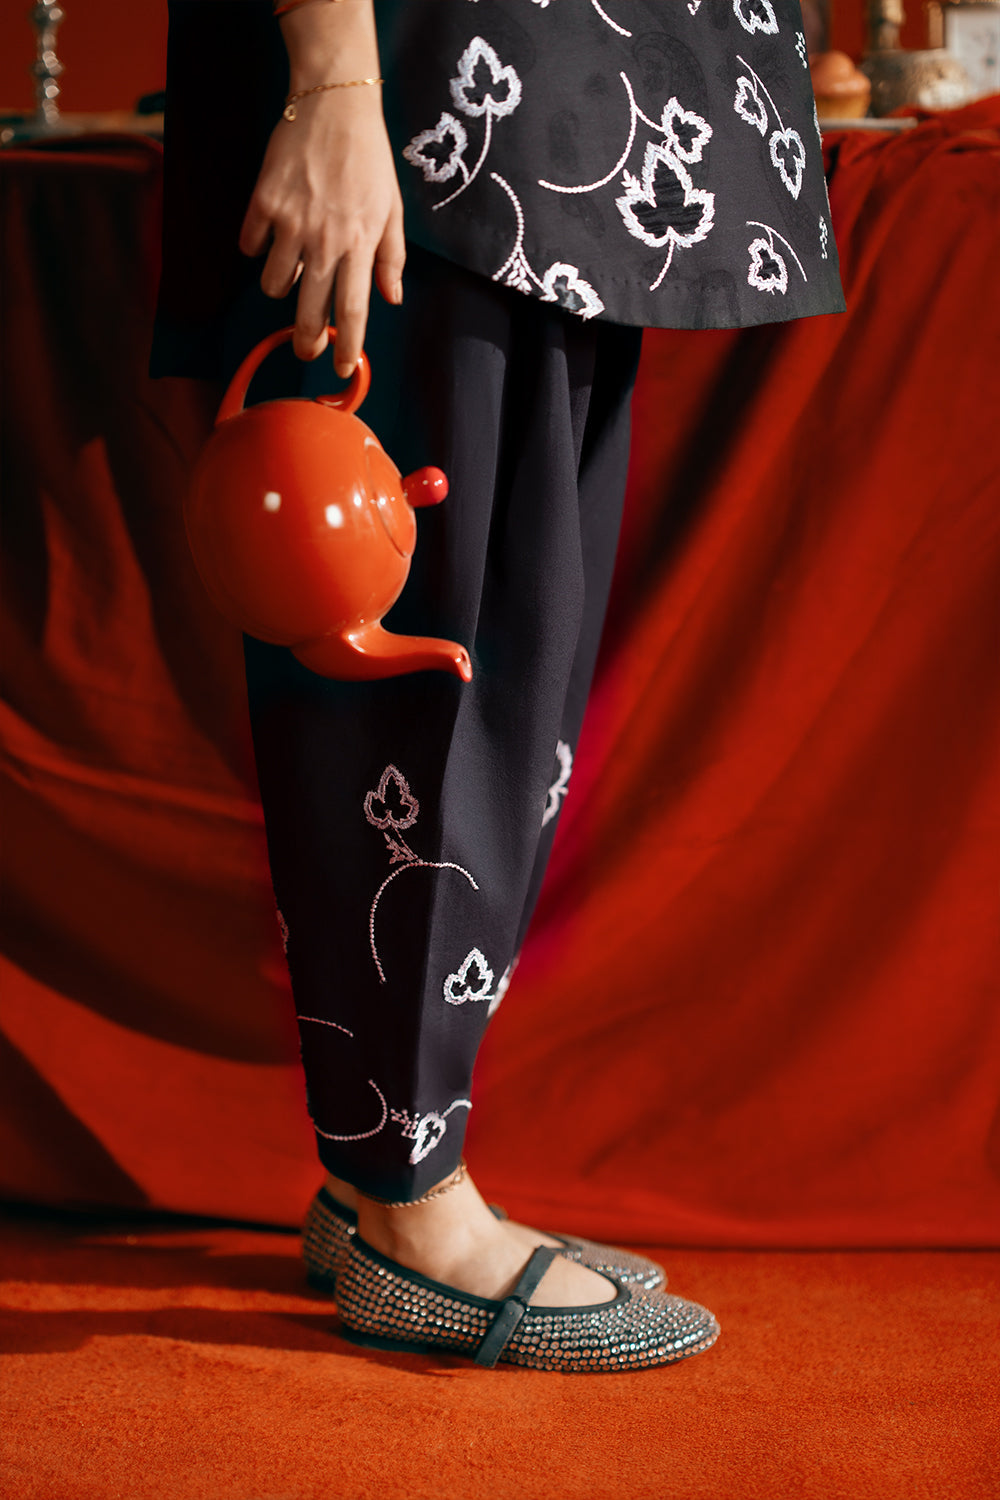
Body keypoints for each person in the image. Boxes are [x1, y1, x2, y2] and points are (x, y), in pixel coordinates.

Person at [156, 0, 844, 1371]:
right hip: (435, 96)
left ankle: (377, 1165)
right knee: (419, 654)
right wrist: (334, 78)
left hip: (569, 116)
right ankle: (408, 1201)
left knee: (517, 655)